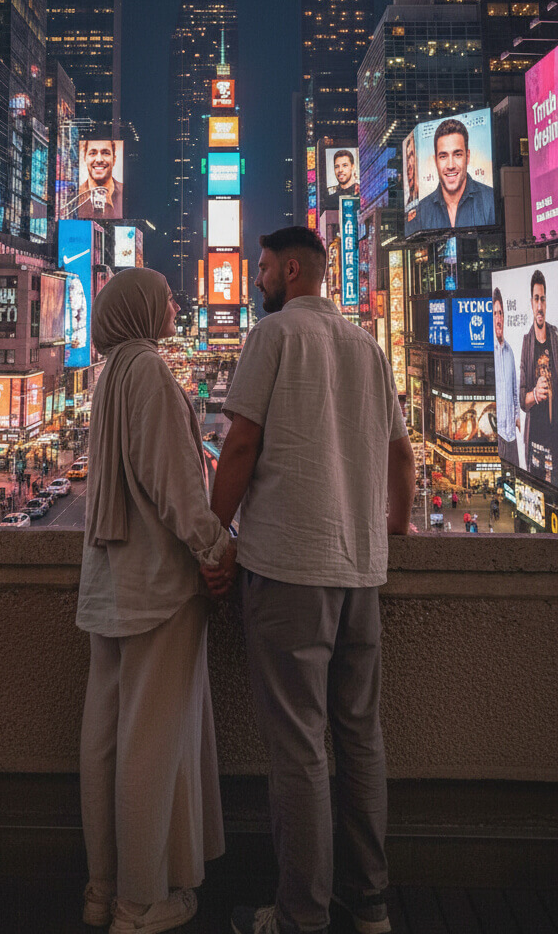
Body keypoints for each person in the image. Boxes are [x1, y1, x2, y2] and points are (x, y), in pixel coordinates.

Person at [201, 225, 415, 934]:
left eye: (261, 268)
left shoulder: (273, 337)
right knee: (361, 740)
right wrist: (391, 531)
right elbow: (400, 459)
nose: (256, 279)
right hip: (361, 575)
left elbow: (240, 443)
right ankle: (372, 903)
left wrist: (210, 537)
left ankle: (301, 914)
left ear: (292, 271)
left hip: (290, 570)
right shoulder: (367, 345)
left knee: (299, 748)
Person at [76, 268, 235, 934]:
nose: (174, 303)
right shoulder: (148, 371)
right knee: (150, 744)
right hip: (156, 587)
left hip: (110, 583)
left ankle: (104, 886)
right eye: (164, 295)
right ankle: (141, 904)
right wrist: (215, 547)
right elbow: (175, 483)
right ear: (141, 310)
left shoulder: (112, 370)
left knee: (106, 740)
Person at [412, 118, 495, 231]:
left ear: (468, 156)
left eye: (457, 154)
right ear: (435, 161)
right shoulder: (421, 210)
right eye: (443, 156)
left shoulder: (490, 200)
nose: (450, 165)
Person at [518, 269, 558, 485]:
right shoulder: (527, 342)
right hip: (534, 443)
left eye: (543, 299)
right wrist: (535, 393)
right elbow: (522, 400)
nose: (540, 306)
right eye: (536, 299)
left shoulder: (556, 337)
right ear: (531, 303)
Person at [493, 287, 520, 466]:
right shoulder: (491, 351)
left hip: (512, 437)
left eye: (501, 312)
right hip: (499, 436)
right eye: (495, 313)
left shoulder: (510, 351)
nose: (498, 317)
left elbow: (515, 392)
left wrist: (518, 417)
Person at [77, 139, 124, 218]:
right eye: (93, 153)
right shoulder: (74, 197)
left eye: (106, 153)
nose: (99, 160)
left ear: (114, 159)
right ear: (85, 158)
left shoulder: (126, 193)